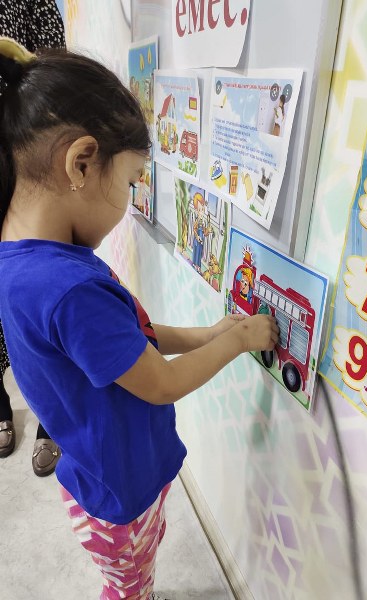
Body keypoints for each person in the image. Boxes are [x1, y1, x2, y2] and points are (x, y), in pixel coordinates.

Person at [0, 38, 279, 600]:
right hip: (119, 494)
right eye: (131, 181)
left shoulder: (31, 259)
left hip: (97, 476)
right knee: (129, 588)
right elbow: (160, 382)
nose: (131, 198)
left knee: (134, 575)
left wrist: (207, 334)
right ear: (81, 163)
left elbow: (128, 342)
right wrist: (240, 340)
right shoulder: (69, 289)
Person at [0, 0, 65, 475]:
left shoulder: (29, 3)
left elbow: (52, 80)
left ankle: (53, 417)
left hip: (22, 160)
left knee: (45, 303)